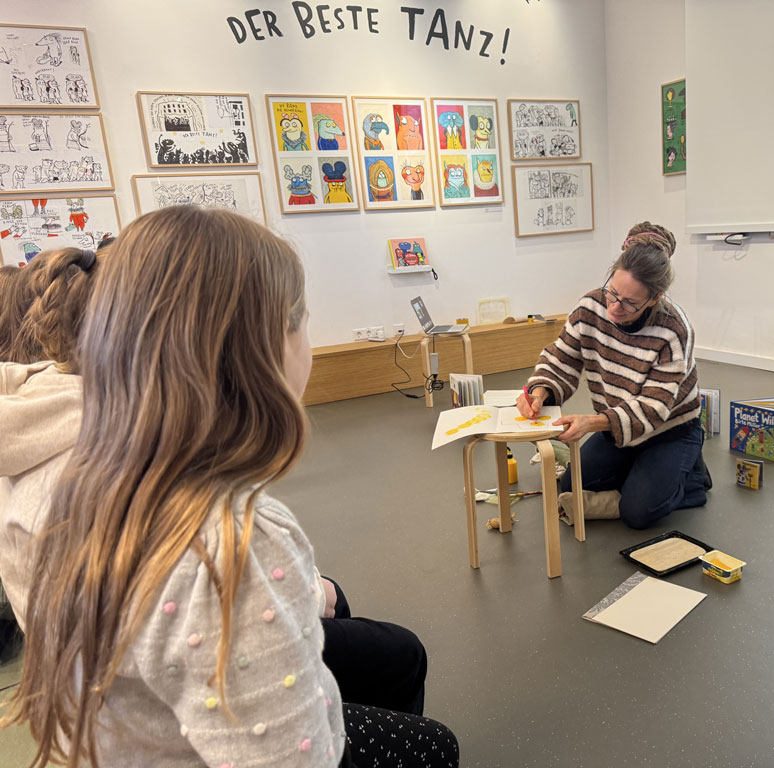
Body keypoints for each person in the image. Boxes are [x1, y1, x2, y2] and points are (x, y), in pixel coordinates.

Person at [0, 207, 458, 768]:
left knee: (386, 648)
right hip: (174, 741)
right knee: (432, 744)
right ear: (258, 353)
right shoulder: (229, 541)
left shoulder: (36, 440)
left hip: (112, 732)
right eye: (300, 320)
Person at [517, 221, 710, 530]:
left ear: (655, 298)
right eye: (612, 293)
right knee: (570, 484)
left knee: (638, 513)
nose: (615, 308)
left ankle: (692, 477)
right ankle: (647, 472)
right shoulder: (590, 306)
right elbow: (561, 358)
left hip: (669, 430)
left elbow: (652, 409)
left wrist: (592, 423)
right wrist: (539, 391)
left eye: (630, 303)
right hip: (619, 427)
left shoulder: (673, 329)